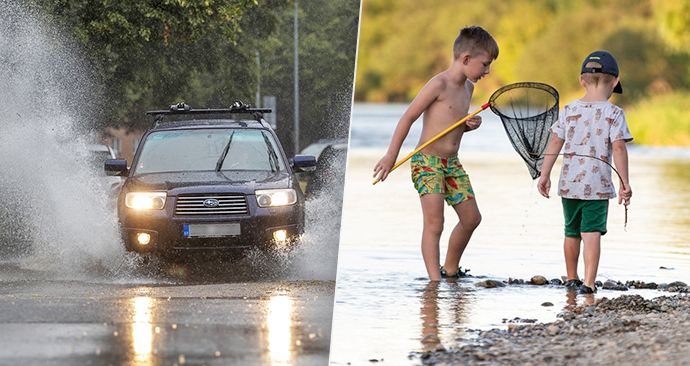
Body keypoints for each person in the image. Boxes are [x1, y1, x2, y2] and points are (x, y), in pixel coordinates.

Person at [373, 26, 498, 281]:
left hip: (452, 163)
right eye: (485, 64)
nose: (487, 71)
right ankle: (434, 282)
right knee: (435, 223)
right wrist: (390, 155)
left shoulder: (468, 89)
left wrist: (466, 126)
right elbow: (408, 117)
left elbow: (451, 128)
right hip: (426, 162)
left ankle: (450, 270)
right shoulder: (438, 84)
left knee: (472, 218)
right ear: (465, 59)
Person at [538, 50, 633, 294]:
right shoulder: (614, 113)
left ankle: (571, 278)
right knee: (591, 233)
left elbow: (555, 143)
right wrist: (625, 183)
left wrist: (545, 174)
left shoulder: (569, 110)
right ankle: (589, 284)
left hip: (569, 184)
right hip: (598, 186)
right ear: (615, 81)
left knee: (571, 232)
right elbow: (619, 148)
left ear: (582, 80)